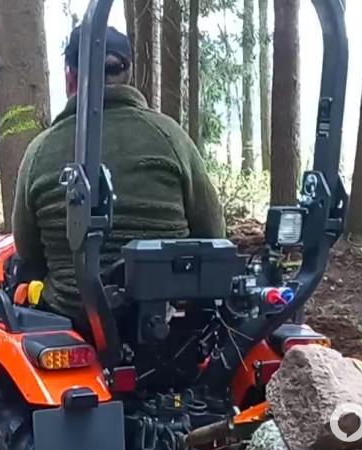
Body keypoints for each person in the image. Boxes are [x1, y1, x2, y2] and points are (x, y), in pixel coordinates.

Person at [12, 25, 225, 331]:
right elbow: (213, 232)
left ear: (70, 76)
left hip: (73, 321)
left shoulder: (39, 152)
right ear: (126, 74)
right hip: (168, 326)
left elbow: (28, 252)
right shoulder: (172, 138)